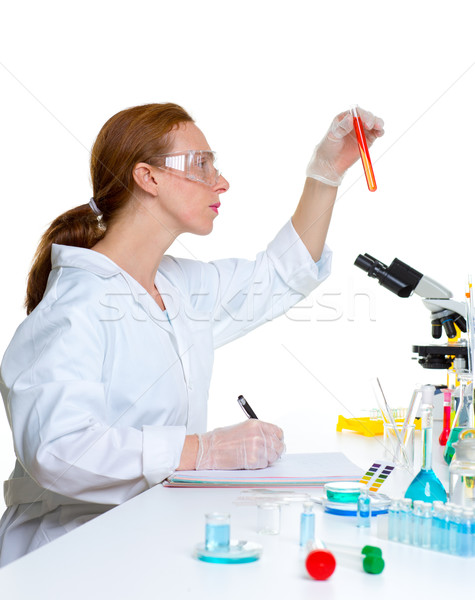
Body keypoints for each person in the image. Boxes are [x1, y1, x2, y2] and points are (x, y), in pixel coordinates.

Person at [0, 103, 384, 566]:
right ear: (148, 177)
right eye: (201, 164)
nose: (220, 182)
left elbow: (279, 276)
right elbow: (57, 451)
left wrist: (325, 171)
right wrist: (204, 450)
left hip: (147, 539)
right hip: (67, 554)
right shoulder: (73, 310)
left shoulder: (178, 285)